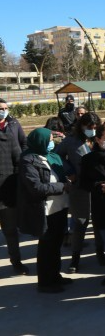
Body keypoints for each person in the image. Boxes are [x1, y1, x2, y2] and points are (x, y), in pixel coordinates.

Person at [17, 128, 72, 293]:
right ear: (40, 141)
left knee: (56, 246)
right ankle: (45, 282)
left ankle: (55, 275)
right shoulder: (28, 161)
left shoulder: (52, 156)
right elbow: (37, 187)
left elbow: (61, 174)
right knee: (46, 248)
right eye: (48, 139)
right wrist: (63, 186)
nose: (51, 142)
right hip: (45, 211)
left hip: (59, 207)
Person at [55, 112, 104, 273]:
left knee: (99, 223)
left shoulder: (101, 140)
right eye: (89, 128)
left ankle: (100, 253)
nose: (92, 130)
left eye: (95, 127)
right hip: (79, 187)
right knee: (80, 223)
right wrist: (69, 170)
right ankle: (75, 258)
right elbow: (56, 155)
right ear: (81, 126)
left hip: (99, 188)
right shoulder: (71, 141)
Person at [79, 124, 105, 286]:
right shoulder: (88, 159)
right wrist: (99, 186)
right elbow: (83, 184)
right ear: (98, 139)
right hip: (102, 206)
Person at [0, 111, 28, 275]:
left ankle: (16, 262)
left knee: (10, 231)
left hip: (6, 195)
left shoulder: (8, 138)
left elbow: (19, 163)